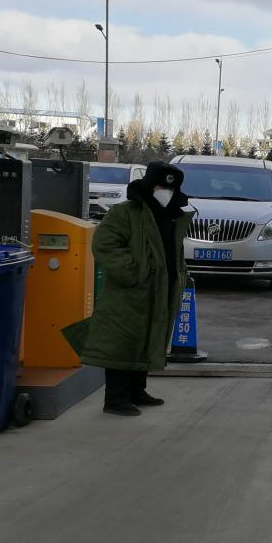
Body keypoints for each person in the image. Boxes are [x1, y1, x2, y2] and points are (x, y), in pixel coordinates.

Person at [67, 161, 193, 416]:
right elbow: (104, 243)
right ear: (149, 186)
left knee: (148, 338)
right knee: (121, 342)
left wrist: (179, 275)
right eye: (160, 187)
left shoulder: (172, 216)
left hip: (160, 289)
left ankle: (137, 390)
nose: (165, 193)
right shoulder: (126, 212)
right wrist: (133, 272)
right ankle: (115, 399)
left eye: (170, 188)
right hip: (129, 291)